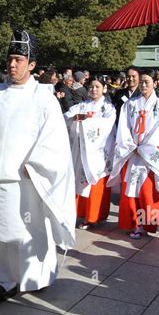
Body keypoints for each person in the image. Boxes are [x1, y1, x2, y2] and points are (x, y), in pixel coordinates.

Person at [0, 29, 76, 302]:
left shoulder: (43, 97)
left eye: (19, 60)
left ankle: (38, 275)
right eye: (10, 59)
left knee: (25, 232)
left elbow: (54, 140)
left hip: (25, 177)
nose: (12, 65)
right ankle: (2, 278)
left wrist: (34, 165)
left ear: (32, 65)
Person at [108, 70, 159, 238]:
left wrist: (145, 147)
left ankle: (148, 223)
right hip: (132, 153)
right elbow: (123, 128)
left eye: (147, 82)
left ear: (155, 83)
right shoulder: (130, 105)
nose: (144, 85)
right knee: (131, 191)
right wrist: (130, 145)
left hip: (149, 156)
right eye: (142, 82)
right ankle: (135, 224)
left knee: (147, 192)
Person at [64, 76, 116, 230]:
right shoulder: (81, 106)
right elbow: (67, 116)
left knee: (97, 184)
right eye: (91, 87)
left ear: (104, 89)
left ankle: (94, 216)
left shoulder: (108, 108)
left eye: (97, 87)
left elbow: (107, 125)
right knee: (81, 182)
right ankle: (82, 214)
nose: (94, 90)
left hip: (99, 152)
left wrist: (86, 123)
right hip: (82, 151)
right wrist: (74, 118)